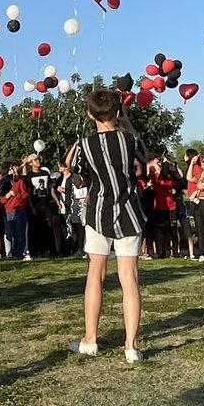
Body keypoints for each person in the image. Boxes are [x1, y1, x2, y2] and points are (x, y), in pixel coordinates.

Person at [67, 89, 147, 363]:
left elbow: (76, 175)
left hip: (98, 211)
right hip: (128, 211)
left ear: (90, 114)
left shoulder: (84, 145)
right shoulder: (130, 140)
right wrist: (126, 122)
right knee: (129, 278)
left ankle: (90, 340)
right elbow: (143, 162)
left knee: (95, 275)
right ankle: (131, 346)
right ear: (118, 111)